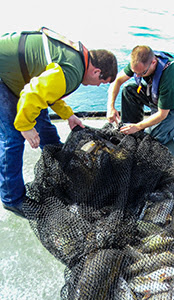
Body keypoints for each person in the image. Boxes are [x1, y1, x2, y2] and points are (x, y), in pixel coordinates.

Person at [0, 27, 118, 217]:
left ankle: (59, 161)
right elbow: (32, 94)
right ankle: (12, 200)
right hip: (4, 75)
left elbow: (48, 93)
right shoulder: (73, 72)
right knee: (12, 138)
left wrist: (69, 115)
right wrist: (25, 127)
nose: (99, 86)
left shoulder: (78, 59)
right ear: (96, 71)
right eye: (102, 83)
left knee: (44, 123)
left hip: (18, 73)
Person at [107, 45, 174, 144]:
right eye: (136, 73)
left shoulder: (169, 74)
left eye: (142, 73)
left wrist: (138, 126)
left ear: (154, 62)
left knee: (154, 139)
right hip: (154, 95)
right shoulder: (138, 62)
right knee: (129, 90)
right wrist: (111, 107)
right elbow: (117, 81)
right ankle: (131, 129)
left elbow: (162, 114)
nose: (138, 76)